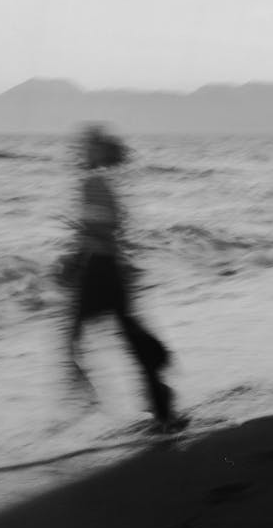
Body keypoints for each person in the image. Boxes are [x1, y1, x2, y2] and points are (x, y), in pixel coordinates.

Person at [61, 124, 184, 432]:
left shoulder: (93, 183)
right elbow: (112, 227)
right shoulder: (102, 182)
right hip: (109, 267)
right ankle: (160, 403)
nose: (80, 151)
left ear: (97, 152)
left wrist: (75, 253)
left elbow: (104, 227)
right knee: (127, 336)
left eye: (86, 146)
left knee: (76, 338)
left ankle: (88, 405)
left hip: (100, 269)